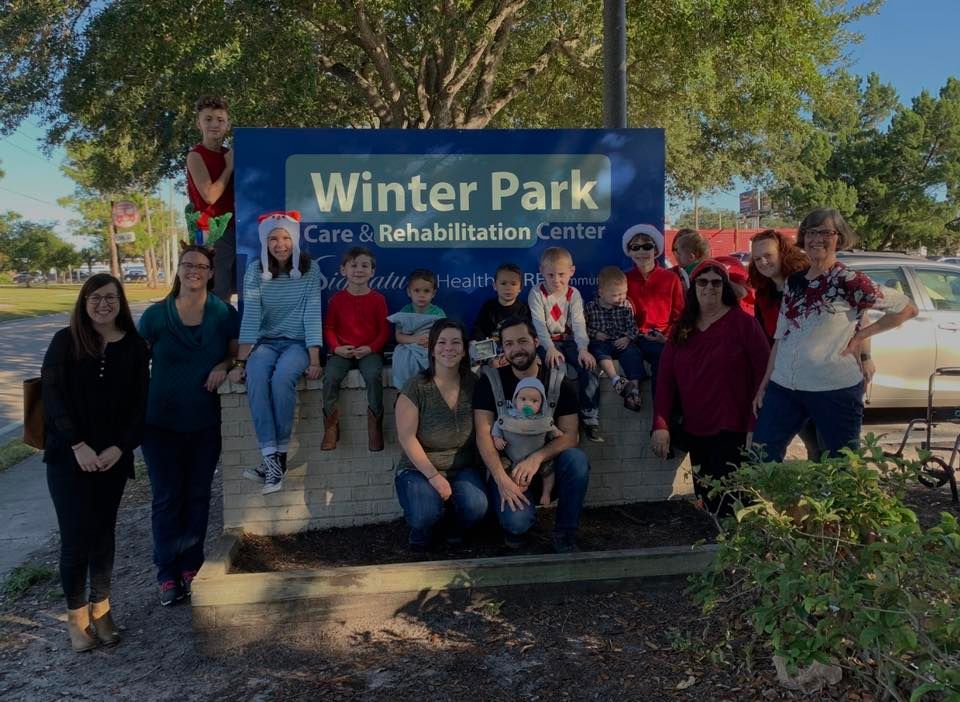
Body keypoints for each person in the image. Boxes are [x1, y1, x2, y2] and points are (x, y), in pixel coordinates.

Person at [752, 209, 918, 462]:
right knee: (761, 455)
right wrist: (765, 384)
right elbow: (781, 336)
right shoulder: (794, 282)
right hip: (785, 386)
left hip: (833, 388)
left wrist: (861, 337)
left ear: (838, 238)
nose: (816, 238)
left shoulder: (849, 280)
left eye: (825, 232)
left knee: (839, 466)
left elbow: (906, 309)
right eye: (810, 232)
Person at [41, 274, 149, 651]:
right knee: (75, 540)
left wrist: (121, 447)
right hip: (69, 459)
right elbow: (51, 398)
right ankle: (76, 620)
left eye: (110, 297)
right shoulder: (65, 342)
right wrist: (77, 445)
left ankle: (102, 609)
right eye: (95, 297)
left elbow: (139, 406)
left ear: (120, 301)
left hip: (112, 460)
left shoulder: (136, 347)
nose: (103, 304)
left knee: (104, 537)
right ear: (83, 302)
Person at [138, 244, 239, 606]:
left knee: (197, 496)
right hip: (159, 423)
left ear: (212, 273)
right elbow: (133, 364)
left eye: (201, 266)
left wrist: (223, 367)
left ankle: (190, 567)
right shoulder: (155, 316)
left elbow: (234, 353)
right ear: (178, 270)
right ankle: (166, 573)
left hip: (203, 422)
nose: (194, 270)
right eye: (187, 265)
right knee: (167, 499)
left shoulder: (223, 313)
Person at [651, 261, 770, 517]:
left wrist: (753, 425)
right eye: (702, 282)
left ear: (725, 286)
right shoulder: (682, 328)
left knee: (737, 502)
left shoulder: (744, 324)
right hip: (697, 428)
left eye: (716, 282)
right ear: (693, 287)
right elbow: (665, 380)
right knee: (707, 500)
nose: (709, 287)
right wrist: (660, 425)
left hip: (735, 429)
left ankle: (741, 554)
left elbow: (764, 377)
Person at [474, 316, 590, 553]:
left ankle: (565, 534)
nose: (516, 349)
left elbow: (570, 436)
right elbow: (483, 434)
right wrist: (501, 479)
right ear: (503, 348)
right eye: (508, 344)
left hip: (548, 470)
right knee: (517, 525)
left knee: (577, 460)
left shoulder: (559, 382)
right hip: (508, 470)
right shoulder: (490, 382)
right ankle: (515, 521)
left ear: (536, 341)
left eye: (522, 341)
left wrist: (536, 459)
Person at [229, 211, 323, 495]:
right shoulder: (255, 270)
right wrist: (241, 361)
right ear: (265, 242)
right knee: (257, 378)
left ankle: (276, 460)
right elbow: (252, 316)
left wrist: (315, 359)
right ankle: (271, 458)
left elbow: (311, 315)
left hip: (297, 343)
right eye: (273, 238)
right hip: (266, 343)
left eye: (285, 238)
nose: (280, 244)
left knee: (283, 380)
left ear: (293, 239)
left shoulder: (310, 269)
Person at [394, 320, 489, 550]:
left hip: (463, 467)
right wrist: (434, 476)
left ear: (464, 349)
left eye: (456, 342)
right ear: (432, 349)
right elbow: (407, 438)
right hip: (419, 469)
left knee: (477, 506)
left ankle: (454, 525)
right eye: (442, 342)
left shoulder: (473, 384)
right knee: (424, 513)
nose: (449, 348)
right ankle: (422, 529)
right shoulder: (416, 386)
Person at [527, 246, 600, 441]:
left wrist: (583, 349)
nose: (556, 280)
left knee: (589, 366)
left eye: (561, 274)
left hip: (569, 342)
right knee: (556, 370)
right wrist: (549, 348)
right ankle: (552, 419)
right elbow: (539, 324)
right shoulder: (537, 293)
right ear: (541, 271)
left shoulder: (573, 294)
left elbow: (578, 323)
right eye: (550, 275)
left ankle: (590, 416)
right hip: (548, 342)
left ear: (571, 272)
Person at [322, 246, 390, 451]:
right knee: (331, 376)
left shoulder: (378, 299)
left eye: (364, 266)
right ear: (343, 270)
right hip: (343, 351)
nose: (359, 270)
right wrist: (336, 348)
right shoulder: (337, 300)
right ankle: (330, 428)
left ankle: (375, 428)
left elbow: (384, 330)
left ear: (372, 271)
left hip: (369, 352)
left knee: (373, 375)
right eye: (353, 265)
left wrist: (371, 348)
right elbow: (329, 328)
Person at [623, 224, 685, 398]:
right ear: (629, 251)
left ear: (656, 249)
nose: (641, 252)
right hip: (632, 338)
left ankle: (662, 418)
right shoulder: (624, 279)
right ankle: (632, 397)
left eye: (647, 246)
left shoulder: (670, 278)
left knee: (664, 360)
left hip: (660, 338)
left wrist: (666, 337)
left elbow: (679, 315)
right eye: (636, 247)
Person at [186, 95, 235, 302]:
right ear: (199, 123)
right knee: (217, 292)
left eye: (220, 120)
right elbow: (210, 195)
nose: (214, 124)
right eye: (208, 119)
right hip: (212, 233)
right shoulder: (195, 155)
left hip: (237, 230)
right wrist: (229, 167)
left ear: (228, 124)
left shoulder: (230, 153)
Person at [490, 377, 564, 507]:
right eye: (523, 399)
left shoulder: (543, 419)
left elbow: (551, 428)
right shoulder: (508, 415)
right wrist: (497, 438)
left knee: (549, 471)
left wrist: (556, 433)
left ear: (542, 404)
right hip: (511, 455)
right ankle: (515, 489)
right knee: (505, 468)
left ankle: (546, 493)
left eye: (534, 401)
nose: (528, 404)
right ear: (515, 400)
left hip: (538, 456)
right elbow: (498, 425)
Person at [584, 266, 645, 410]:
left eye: (624, 293)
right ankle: (615, 379)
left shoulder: (626, 306)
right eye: (615, 295)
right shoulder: (591, 307)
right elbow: (583, 328)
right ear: (601, 293)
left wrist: (627, 338)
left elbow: (633, 328)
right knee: (598, 349)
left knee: (633, 354)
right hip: (602, 342)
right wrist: (595, 334)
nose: (621, 298)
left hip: (621, 342)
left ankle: (633, 391)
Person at [390, 268, 446, 392]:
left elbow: (444, 335)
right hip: (409, 345)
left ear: (433, 293)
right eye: (417, 290)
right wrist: (414, 339)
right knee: (403, 358)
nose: (421, 295)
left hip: (430, 346)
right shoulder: (405, 311)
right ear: (409, 292)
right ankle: (404, 393)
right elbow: (398, 336)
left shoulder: (438, 313)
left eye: (426, 291)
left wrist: (431, 340)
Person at [471, 263, 532, 368]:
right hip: (492, 351)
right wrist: (489, 359)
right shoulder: (489, 306)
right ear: (495, 286)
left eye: (513, 284)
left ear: (520, 287)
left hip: (515, 351)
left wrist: (509, 355)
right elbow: (479, 330)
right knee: (474, 349)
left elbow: (528, 336)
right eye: (503, 283)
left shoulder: (524, 309)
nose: (508, 288)